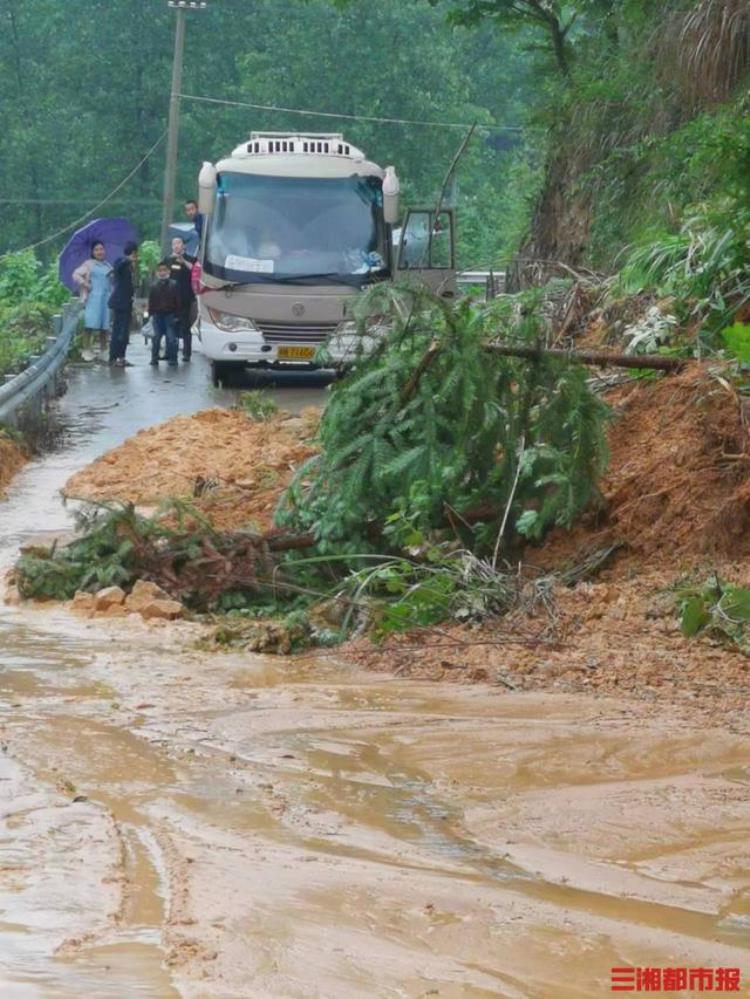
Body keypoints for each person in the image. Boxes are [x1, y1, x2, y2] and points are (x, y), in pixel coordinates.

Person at [72, 240, 112, 360]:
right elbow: (75, 274)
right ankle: (86, 349)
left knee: (104, 324)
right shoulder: (88, 264)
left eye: (101, 249)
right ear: (92, 252)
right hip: (93, 297)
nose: (99, 252)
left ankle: (104, 350)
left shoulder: (107, 265)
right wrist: (85, 284)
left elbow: (112, 279)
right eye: (96, 249)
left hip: (106, 297)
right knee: (90, 323)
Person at [108, 241, 138, 367]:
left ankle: (122, 357)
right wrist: (128, 260)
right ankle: (114, 357)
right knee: (118, 331)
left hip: (127, 302)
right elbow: (117, 267)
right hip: (120, 302)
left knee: (125, 332)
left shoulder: (131, 266)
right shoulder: (120, 261)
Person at [148, 259, 180, 368]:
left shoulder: (174, 284)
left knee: (171, 339)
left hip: (170, 315)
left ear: (168, 272)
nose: (162, 272)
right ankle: (154, 358)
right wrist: (150, 315)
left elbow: (177, 301)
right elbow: (151, 302)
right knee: (156, 338)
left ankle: (173, 359)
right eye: (160, 270)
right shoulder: (153, 286)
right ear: (157, 272)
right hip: (157, 316)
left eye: (164, 270)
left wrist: (177, 316)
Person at [169, 236, 196, 361]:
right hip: (170, 298)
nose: (176, 246)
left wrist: (183, 261)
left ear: (184, 246)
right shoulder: (168, 259)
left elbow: (195, 270)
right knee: (171, 326)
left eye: (178, 243)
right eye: (174, 243)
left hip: (185, 297)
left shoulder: (191, 259)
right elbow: (162, 273)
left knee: (185, 325)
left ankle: (186, 353)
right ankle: (171, 352)